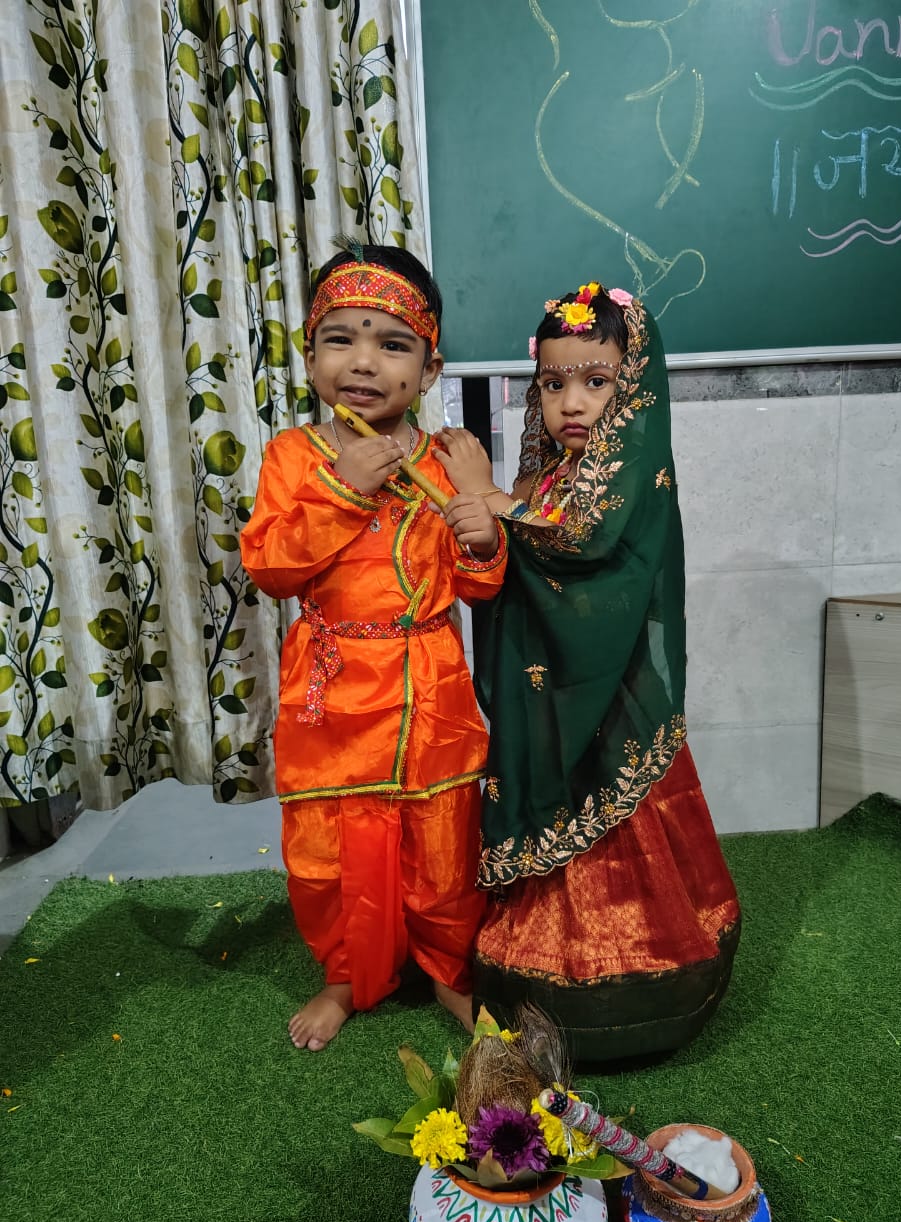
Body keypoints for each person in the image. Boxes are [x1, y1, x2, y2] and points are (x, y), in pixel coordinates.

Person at [435, 281, 740, 1063]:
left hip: (614, 696)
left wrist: (488, 498)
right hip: (552, 692)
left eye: (596, 381)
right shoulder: (550, 474)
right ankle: (537, 978)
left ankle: (631, 985)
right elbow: (522, 550)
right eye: (552, 383)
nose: (570, 403)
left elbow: (581, 544)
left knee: (615, 823)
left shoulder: (629, 471)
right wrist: (492, 520)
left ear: (632, 385)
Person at [240, 242, 506, 1051]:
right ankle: (346, 976)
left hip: (430, 689)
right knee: (327, 853)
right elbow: (272, 568)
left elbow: (479, 586)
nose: (363, 362)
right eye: (341, 339)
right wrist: (343, 487)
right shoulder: (295, 457)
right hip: (329, 695)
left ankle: (450, 972)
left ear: (429, 371)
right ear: (309, 355)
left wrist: (483, 534)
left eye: (392, 344)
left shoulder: (446, 460)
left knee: (443, 844)